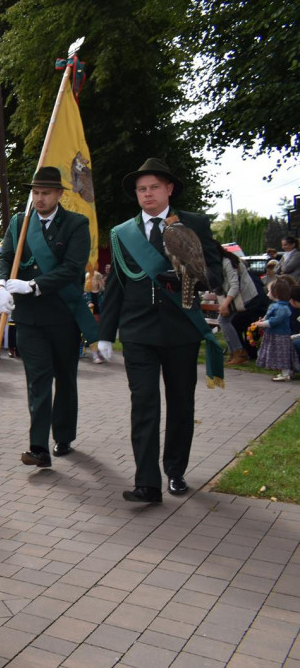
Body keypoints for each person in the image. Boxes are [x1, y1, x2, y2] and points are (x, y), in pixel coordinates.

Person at [98, 158, 222, 503]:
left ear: (169, 189)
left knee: (181, 403)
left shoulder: (193, 223)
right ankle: (147, 482)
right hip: (138, 333)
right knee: (144, 404)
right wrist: (105, 334)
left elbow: (214, 269)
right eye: (141, 189)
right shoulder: (123, 232)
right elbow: (116, 286)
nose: (147, 193)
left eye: (154, 187)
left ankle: (175, 471)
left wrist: (193, 279)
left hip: (181, 329)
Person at [0, 166, 95, 468]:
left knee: (65, 379)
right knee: (37, 382)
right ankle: (38, 447)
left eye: (45, 193)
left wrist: (33, 284)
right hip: (29, 319)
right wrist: (0, 284)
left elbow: (73, 268)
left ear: (59, 194)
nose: (39, 198)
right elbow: (6, 256)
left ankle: (63, 434)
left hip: (63, 316)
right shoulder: (19, 222)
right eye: (35, 193)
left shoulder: (76, 224)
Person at [216, 245, 259, 366]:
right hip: (238, 297)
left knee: (224, 320)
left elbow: (235, 286)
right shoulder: (223, 261)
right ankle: (236, 352)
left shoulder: (227, 262)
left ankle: (238, 352)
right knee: (225, 321)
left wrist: (224, 304)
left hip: (245, 297)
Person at [252, 278, 300, 381]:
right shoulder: (276, 306)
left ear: (276, 293)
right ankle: (284, 372)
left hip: (280, 335)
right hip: (274, 334)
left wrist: (262, 324)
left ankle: (286, 373)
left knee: (282, 354)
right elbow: (270, 317)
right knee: (277, 353)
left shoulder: (282, 308)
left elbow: (275, 321)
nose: (267, 294)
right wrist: (263, 320)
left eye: (269, 291)